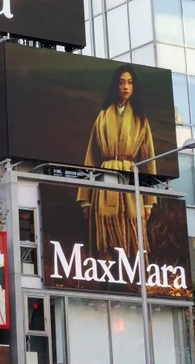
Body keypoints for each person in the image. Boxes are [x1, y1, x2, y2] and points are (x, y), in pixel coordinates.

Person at [77, 66, 157, 260]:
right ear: (115, 86)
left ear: (134, 86)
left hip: (131, 178)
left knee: (133, 235)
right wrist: (86, 198)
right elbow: (91, 158)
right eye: (121, 82)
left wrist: (148, 202)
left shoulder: (140, 119)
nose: (125, 87)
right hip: (105, 179)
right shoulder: (103, 116)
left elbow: (148, 160)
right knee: (105, 236)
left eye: (130, 82)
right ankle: (107, 271)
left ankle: (133, 274)